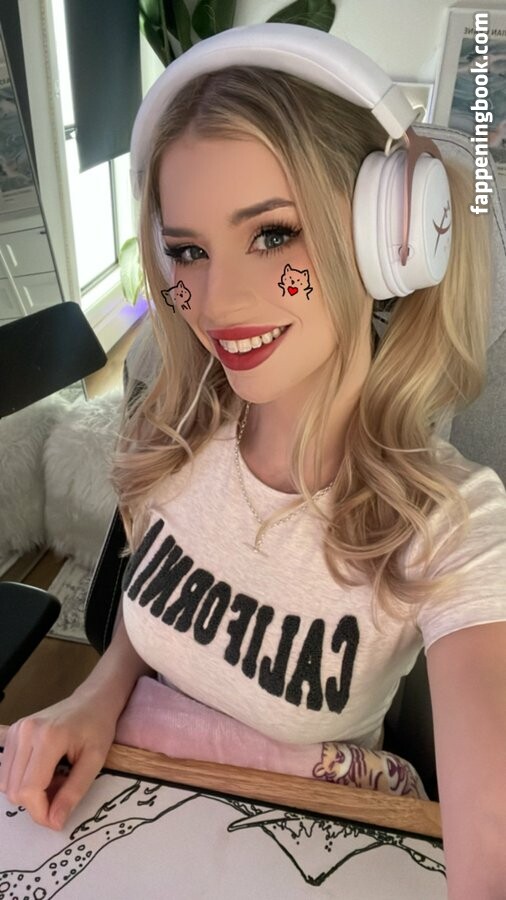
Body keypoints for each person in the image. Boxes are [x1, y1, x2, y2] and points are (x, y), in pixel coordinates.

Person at [1, 23, 505, 898]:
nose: (217, 301)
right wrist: (96, 692)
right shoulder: (175, 430)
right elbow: (148, 610)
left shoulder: (450, 523)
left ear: (387, 242)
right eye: (188, 250)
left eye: (272, 235)